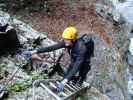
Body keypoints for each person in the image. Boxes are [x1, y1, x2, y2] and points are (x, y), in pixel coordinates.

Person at [24, 27, 94, 91]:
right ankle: (68, 80)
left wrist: (65, 81)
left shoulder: (81, 48)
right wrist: (34, 51)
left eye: (66, 39)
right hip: (75, 56)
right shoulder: (68, 42)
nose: (64, 40)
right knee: (69, 71)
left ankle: (80, 79)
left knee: (83, 69)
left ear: (73, 39)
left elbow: (76, 66)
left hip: (84, 58)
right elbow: (51, 48)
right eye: (64, 39)